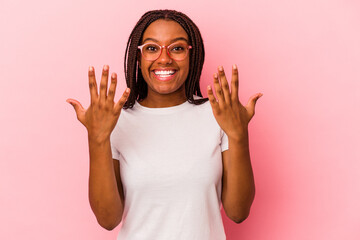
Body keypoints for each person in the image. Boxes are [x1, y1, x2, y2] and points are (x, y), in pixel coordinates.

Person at [66, 9, 262, 240]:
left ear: (192, 55)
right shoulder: (116, 121)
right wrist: (97, 139)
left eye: (177, 48)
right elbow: (108, 219)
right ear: (138, 58)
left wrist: (239, 135)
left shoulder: (219, 115)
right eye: (151, 48)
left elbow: (238, 212)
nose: (164, 58)